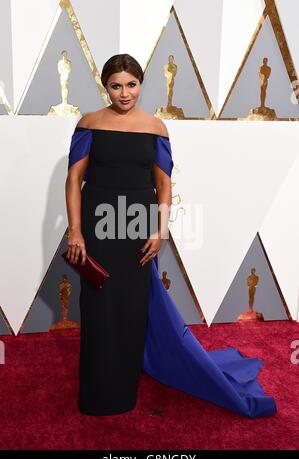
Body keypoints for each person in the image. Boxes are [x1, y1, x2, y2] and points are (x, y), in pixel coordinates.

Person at [65, 53, 277, 418]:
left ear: (141, 84)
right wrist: (76, 232)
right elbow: (73, 180)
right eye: (116, 85)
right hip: (98, 227)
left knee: (132, 311)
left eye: (131, 84)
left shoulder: (156, 128)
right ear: (106, 87)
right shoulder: (89, 123)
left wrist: (159, 231)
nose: (124, 92)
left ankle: (123, 392)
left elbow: (164, 184)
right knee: (98, 309)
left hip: (137, 227)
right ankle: (97, 392)